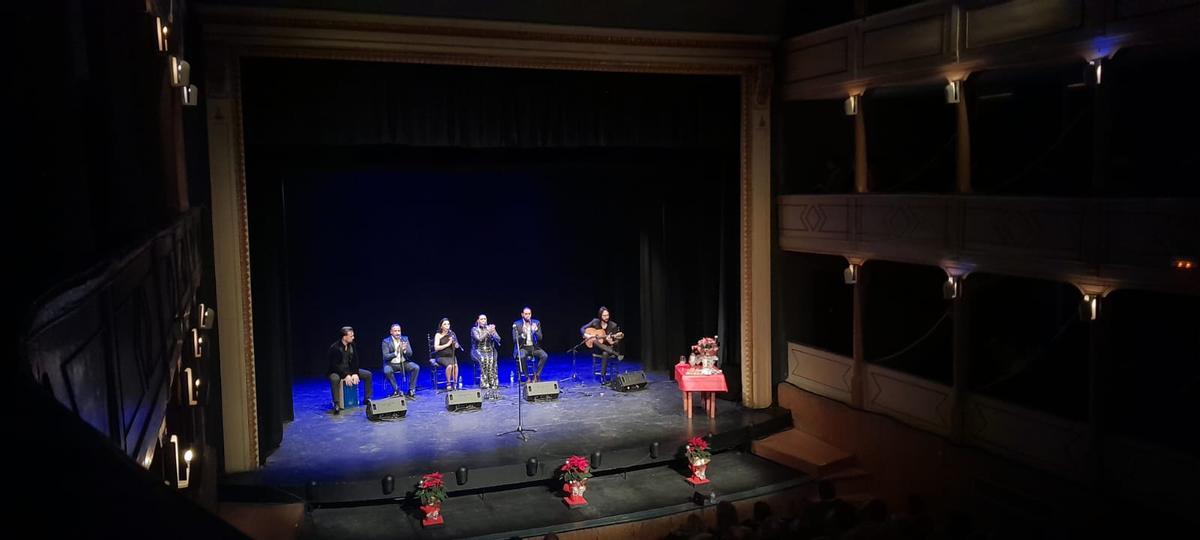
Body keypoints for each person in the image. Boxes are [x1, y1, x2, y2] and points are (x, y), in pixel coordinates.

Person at [327, 326, 372, 414]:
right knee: (334, 379)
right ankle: (336, 404)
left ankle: (367, 399)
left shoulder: (352, 345)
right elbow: (334, 366)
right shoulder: (335, 348)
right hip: (336, 371)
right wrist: (345, 375)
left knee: (368, 374)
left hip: (350, 370)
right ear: (344, 337)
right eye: (351, 336)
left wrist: (354, 373)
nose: (353, 338)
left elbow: (355, 361)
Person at [580, 306, 623, 382]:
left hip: (609, 347)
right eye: (604, 315)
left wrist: (611, 342)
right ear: (600, 316)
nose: (606, 317)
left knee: (605, 353)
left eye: (608, 315)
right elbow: (582, 329)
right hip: (597, 348)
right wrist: (587, 335)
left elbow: (616, 342)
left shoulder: (613, 325)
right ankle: (616, 354)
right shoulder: (595, 321)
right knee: (595, 341)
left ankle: (602, 377)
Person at [381, 323, 420, 399]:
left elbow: (410, 353)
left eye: (399, 331)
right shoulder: (386, 341)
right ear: (391, 332)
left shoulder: (405, 339)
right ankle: (396, 390)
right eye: (395, 331)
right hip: (391, 364)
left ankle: (411, 389)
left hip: (403, 363)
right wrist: (396, 352)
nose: (397, 333)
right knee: (387, 371)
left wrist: (405, 350)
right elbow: (385, 356)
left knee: (416, 367)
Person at [512, 306, 548, 382]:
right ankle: (527, 377)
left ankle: (537, 375)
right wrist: (523, 335)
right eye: (526, 314)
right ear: (522, 314)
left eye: (529, 314)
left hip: (533, 347)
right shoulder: (517, 324)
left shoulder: (536, 323)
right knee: (522, 356)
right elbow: (515, 340)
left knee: (544, 355)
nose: (528, 315)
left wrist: (535, 331)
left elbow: (540, 338)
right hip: (523, 348)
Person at [471, 314, 502, 400]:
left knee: (492, 358)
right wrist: (487, 332)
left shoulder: (490, 328)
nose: (484, 321)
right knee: (484, 359)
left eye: (485, 319)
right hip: (477, 350)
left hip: (490, 350)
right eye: (481, 319)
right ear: (478, 321)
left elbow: (499, 339)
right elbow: (479, 339)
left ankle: (493, 382)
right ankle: (485, 383)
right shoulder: (474, 329)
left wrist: (494, 332)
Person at [432, 318, 462, 391]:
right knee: (449, 366)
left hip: (451, 355)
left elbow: (457, 346)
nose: (447, 326)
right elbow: (436, 348)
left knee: (455, 365)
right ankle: (448, 383)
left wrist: (455, 344)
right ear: (441, 326)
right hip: (441, 356)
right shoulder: (438, 335)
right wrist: (448, 344)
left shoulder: (452, 334)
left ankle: (455, 383)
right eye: (445, 324)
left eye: (448, 324)